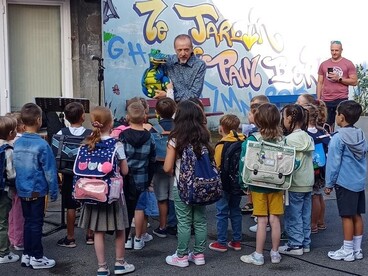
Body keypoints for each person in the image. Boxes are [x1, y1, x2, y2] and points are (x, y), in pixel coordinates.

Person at [77, 106, 135, 275]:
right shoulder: (117, 145)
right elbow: (124, 171)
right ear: (111, 124)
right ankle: (119, 264)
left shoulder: (86, 143)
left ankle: (102, 267)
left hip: (91, 193)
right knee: (119, 229)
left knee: (98, 232)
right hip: (113, 194)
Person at [164, 100, 210, 268]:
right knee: (200, 220)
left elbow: (168, 167)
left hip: (182, 187)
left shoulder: (176, 139)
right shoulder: (204, 137)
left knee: (183, 221)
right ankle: (199, 254)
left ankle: (181, 256)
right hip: (202, 186)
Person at [13, 103, 58, 269]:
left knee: (28, 222)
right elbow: (50, 172)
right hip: (37, 190)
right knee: (36, 223)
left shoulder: (17, 143)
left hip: (22, 188)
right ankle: (37, 256)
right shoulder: (42, 145)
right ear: (39, 120)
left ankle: (27, 254)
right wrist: (54, 191)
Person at [239, 104, 284, 265]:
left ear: (257, 121)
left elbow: (243, 163)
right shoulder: (281, 140)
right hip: (277, 185)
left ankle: (258, 254)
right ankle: (275, 253)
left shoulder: (251, 140)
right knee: (275, 220)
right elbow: (291, 162)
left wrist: (242, 183)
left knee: (262, 221)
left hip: (257, 184)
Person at [325, 100, 367, 262]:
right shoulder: (360, 134)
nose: (335, 116)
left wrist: (329, 184)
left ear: (341, 117)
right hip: (358, 182)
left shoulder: (338, 138)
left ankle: (348, 250)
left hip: (344, 182)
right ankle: (357, 250)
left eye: (336, 113)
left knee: (346, 216)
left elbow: (333, 163)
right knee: (357, 215)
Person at [55, 102, 94, 248]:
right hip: (86, 174)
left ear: (65, 117)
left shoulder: (61, 133)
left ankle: (70, 237)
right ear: (83, 116)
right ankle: (90, 235)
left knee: (70, 206)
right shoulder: (90, 134)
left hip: (68, 174)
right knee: (89, 203)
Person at [278, 104, 314, 256]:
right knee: (305, 214)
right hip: (308, 182)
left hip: (294, 183)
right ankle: (305, 243)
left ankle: (295, 244)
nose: (283, 120)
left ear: (290, 118)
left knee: (293, 215)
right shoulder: (307, 137)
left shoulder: (289, 140)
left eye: (284, 117)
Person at [119, 102, 156, 250]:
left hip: (125, 177)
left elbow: (118, 156)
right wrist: (149, 178)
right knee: (139, 208)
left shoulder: (122, 136)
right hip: (142, 177)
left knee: (125, 207)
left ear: (127, 118)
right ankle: (139, 239)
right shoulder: (149, 137)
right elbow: (152, 159)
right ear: (145, 117)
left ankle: (126, 238)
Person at [209, 114, 245, 252]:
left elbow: (216, 165)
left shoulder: (221, 144)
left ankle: (222, 242)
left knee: (222, 212)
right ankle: (237, 241)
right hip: (238, 182)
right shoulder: (243, 141)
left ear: (221, 128)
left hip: (224, 184)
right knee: (236, 210)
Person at [300, 104, 330, 234]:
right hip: (321, 168)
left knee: (314, 197)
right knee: (319, 195)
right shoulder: (322, 131)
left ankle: (312, 224)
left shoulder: (304, 133)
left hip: (311, 169)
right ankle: (321, 221)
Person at [151, 97, 177, 238]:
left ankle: (162, 226)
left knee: (161, 197)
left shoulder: (154, 129)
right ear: (174, 111)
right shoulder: (179, 127)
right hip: (175, 166)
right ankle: (175, 224)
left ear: (157, 112)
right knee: (174, 197)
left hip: (159, 167)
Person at [317, 40, 358, 129]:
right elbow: (320, 82)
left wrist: (339, 78)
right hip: (326, 100)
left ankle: (343, 141)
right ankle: (328, 142)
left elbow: (354, 81)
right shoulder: (324, 64)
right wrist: (319, 99)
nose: (334, 52)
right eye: (332, 50)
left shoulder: (348, 63)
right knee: (326, 126)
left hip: (341, 99)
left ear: (341, 50)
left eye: (336, 50)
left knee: (345, 125)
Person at [154, 34, 206, 102]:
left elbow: (194, 94)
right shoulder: (167, 61)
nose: (183, 53)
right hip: (168, 107)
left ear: (192, 49)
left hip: (189, 108)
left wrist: (168, 95)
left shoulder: (199, 65)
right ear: (175, 49)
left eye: (186, 50)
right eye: (179, 50)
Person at [0, 116, 19, 264]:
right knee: (2, 222)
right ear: (11, 133)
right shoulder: (8, 150)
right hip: (3, 191)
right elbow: (11, 174)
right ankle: (3, 253)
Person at [6, 112, 24, 252]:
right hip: (17, 181)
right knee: (18, 211)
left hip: (6, 183)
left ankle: (11, 237)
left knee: (11, 211)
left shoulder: (6, 142)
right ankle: (18, 239)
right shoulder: (19, 141)